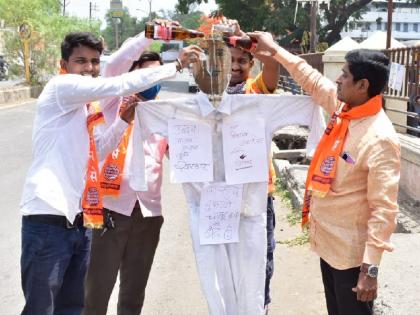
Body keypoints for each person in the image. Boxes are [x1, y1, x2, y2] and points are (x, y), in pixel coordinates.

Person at [19, 30, 200, 315]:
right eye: (81, 61)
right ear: (64, 65)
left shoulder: (85, 111)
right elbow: (119, 81)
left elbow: (98, 151)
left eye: (94, 62)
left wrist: (122, 122)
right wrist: (173, 65)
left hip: (79, 220)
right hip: (48, 218)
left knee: (72, 307)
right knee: (43, 308)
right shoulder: (60, 88)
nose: (89, 69)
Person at [248, 32, 400, 315]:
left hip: (352, 258)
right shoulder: (344, 110)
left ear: (363, 85)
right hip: (328, 245)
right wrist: (274, 49)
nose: (337, 80)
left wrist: (371, 270)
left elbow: (384, 210)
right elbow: (309, 77)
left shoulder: (379, 138)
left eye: (344, 75)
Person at [83, 35, 168, 315]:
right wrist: (149, 35)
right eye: (145, 74)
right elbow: (115, 65)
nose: (151, 80)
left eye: (158, 74)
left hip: (148, 215)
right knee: (96, 292)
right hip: (111, 211)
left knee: (133, 295)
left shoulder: (166, 114)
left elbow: (184, 159)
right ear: (130, 77)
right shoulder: (112, 103)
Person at [225, 21, 279, 312]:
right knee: (228, 261)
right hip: (222, 192)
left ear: (251, 64)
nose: (235, 65)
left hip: (258, 193)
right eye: (230, 60)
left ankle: (261, 308)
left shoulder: (255, 89)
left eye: (242, 60)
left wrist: (253, 44)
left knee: (260, 261)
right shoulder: (208, 93)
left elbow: (271, 71)